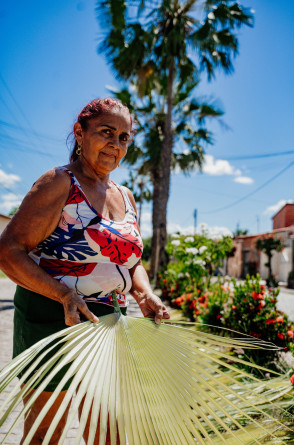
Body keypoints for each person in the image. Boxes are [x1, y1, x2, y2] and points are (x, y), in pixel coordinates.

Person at [0, 98, 170, 444]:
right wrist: (64, 294)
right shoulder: (59, 183)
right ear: (80, 133)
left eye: (124, 137)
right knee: (48, 429)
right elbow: (8, 251)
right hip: (52, 315)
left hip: (107, 320)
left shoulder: (126, 196)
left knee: (109, 430)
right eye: (106, 132)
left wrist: (145, 293)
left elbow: (131, 261)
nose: (116, 144)